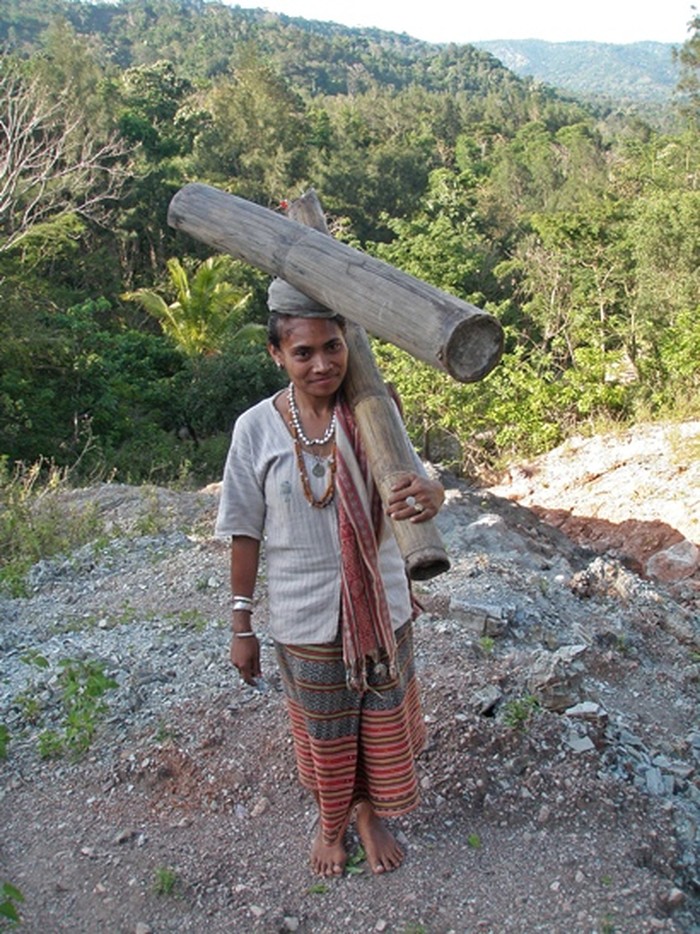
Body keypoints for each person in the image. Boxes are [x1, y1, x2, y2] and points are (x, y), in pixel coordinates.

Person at [215, 278, 444, 877]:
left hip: (382, 603)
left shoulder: (374, 411)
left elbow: (417, 482)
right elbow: (243, 530)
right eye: (303, 352)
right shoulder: (256, 429)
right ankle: (331, 819)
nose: (322, 364)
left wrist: (433, 493)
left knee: (378, 716)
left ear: (349, 345)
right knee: (328, 728)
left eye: (333, 347)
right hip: (305, 612)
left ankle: (369, 815)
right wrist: (241, 624)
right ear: (276, 354)